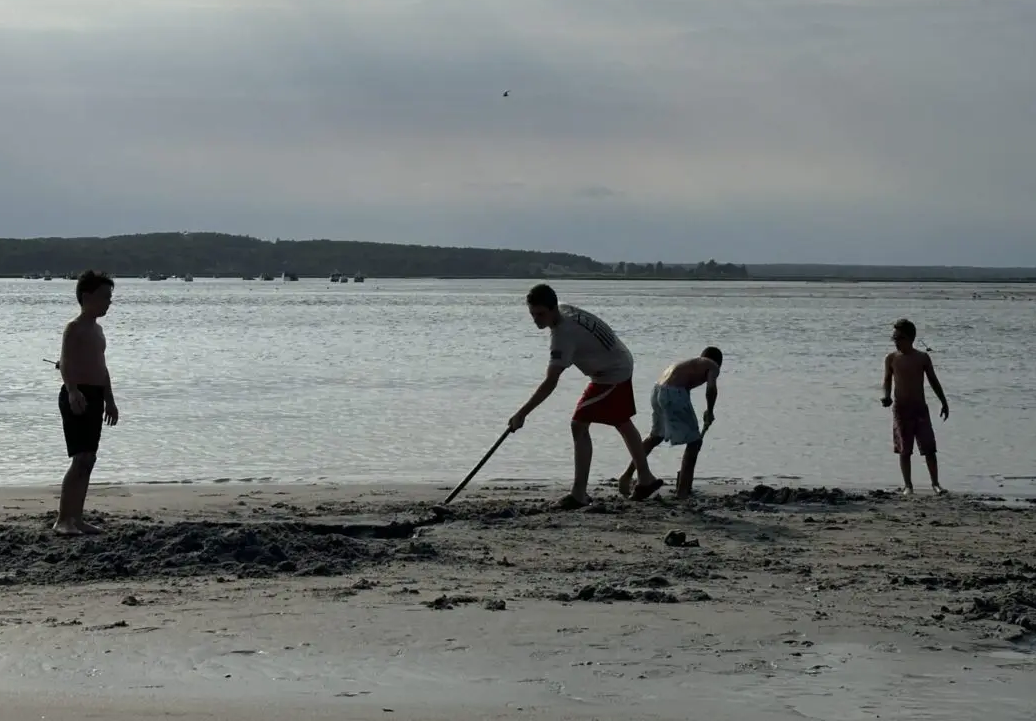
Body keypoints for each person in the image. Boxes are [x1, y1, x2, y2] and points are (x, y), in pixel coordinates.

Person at [508, 284, 662, 507]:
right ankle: (646, 478)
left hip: (612, 373)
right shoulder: (563, 310)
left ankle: (579, 493)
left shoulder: (563, 335)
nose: (536, 320)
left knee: (578, 425)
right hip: (619, 362)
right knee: (621, 421)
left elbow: (551, 382)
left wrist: (521, 414)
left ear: (553, 309)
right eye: (533, 314)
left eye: (540, 314)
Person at [53, 270, 119, 535]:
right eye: (104, 297)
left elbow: (102, 369)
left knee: (89, 459)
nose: (108, 303)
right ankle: (63, 519)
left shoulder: (98, 330)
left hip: (95, 396)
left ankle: (77, 518)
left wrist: (110, 402)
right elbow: (65, 362)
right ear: (86, 296)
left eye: (110, 298)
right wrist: (72, 391)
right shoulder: (74, 327)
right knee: (80, 458)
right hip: (76, 395)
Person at [613, 348, 722, 500]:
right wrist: (710, 411)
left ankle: (626, 476)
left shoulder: (688, 365)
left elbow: (682, 390)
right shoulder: (712, 365)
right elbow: (711, 388)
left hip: (657, 390)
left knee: (655, 437)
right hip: (672, 392)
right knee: (694, 443)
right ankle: (683, 492)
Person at [881, 318, 948, 496]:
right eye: (894, 338)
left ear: (910, 338)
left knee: (929, 448)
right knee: (904, 449)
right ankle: (908, 485)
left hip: (919, 408)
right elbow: (887, 380)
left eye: (899, 338)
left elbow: (933, 381)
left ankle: (935, 484)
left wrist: (944, 402)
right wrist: (886, 396)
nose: (896, 342)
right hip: (901, 408)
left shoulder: (922, 357)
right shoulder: (891, 358)